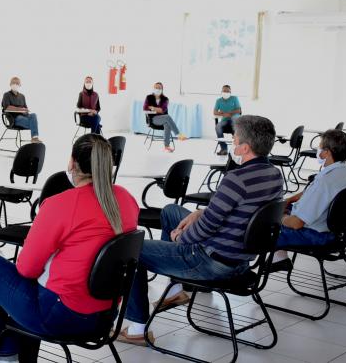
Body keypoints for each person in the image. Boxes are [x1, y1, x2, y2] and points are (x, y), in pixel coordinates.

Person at [0, 134, 140, 362]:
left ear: (72, 162)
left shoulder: (61, 204)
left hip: (60, 317)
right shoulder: (127, 199)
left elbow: (26, 269)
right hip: (105, 317)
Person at [119, 115, 283, 345]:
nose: (233, 144)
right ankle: (174, 290)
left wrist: (182, 237)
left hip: (211, 262)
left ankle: (137, 328)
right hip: (240, 258)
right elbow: (239, 211)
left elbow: (207, 227)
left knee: (131, 251)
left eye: (235, 140)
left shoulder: (237, 178)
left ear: (245, 148)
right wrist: (201, 212)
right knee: (171, 211)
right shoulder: (274, 175)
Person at [270, 129, 346, 272]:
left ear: (327, 152)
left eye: (320, 147)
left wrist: (280, 217)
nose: (318, 150)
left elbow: (296, 224)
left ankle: (273, 261)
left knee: (265, 225)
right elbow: (311, 192)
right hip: (337, 233)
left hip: (316, 236)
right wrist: (289, 200)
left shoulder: (325, 182)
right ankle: (279, 259)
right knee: (279, 211)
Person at [143, 82, 187, 153]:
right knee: (167, 117)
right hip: (153, 119)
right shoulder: (149, 97)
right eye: (156, 87)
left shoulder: (165, 99)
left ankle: (166, 147)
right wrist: (157, 109)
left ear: (162, 89)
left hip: (163, 118)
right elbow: (145, 108)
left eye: (159, 88)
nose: (157, 89)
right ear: (153, 88)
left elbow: (162, 110)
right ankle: (178, 134)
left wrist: (152, 108)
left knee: (167, 123)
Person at [1, 76, 42, 143]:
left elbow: (25, 108)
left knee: (33, 115)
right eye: (13, 83)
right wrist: (20, 109)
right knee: (33, 123)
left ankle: (35, 138)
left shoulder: (22, 96)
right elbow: (7, 108)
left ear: (20, 85)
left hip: (24, 116)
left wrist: (25, 111)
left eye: (17, 83)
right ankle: (34, 132)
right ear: (10, 84)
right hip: (14, 119)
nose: (15, 84)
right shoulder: (6, 95)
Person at [213, 85, 242, 156]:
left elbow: (239, 110)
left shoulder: (234, 98)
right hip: (225, 121)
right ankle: (224, 149)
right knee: (218, 127)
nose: (226, 92)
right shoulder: (218, 101)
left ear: (230, 92)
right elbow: (215, 112)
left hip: (235, 121)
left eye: (227, 91)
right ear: (221, 91)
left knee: (234, 119)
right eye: (224, 91)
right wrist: (224, 114)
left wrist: (229, 113)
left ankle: (237, 147)